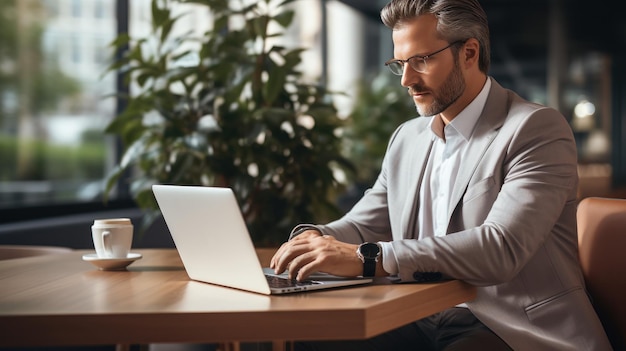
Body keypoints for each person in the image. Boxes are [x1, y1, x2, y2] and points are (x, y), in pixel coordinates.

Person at [270, 0, 613, 350]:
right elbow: (364, 224)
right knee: (314, 338)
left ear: (469, 53)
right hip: (417, 311)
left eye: (422, 60)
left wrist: (369, 258)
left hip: (510, 325)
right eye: (400, 64)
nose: (407, 80)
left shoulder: (535, 129)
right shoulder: (407, 137)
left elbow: (501, 248)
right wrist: (312, 240)